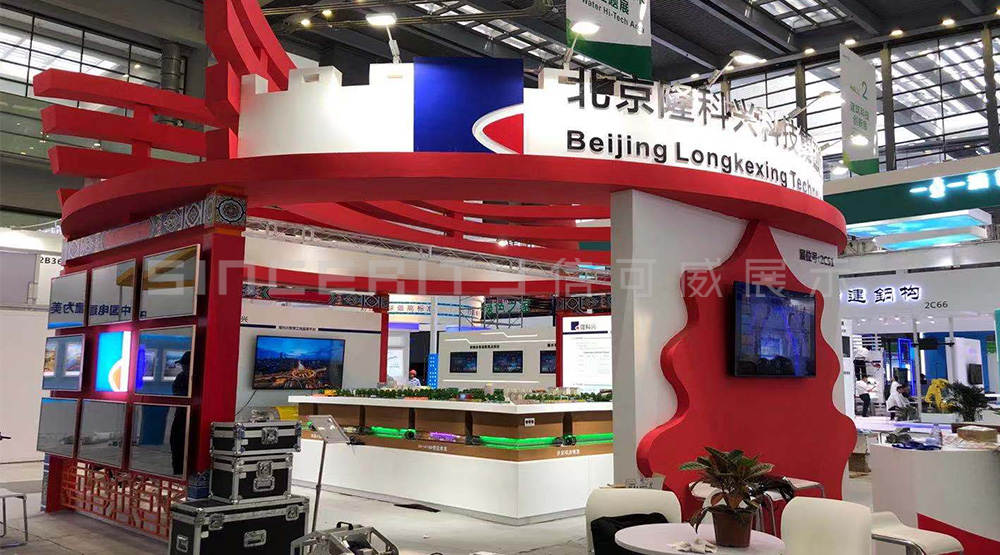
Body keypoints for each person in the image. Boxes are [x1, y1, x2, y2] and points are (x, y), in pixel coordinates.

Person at [170, 352, 191, 476]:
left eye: (185, 364)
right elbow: (176, 392)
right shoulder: (181, 377)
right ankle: (178, 472)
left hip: (192, 418)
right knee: (176, 443)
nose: (183, 367)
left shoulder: (200, 378)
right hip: (180, 416)